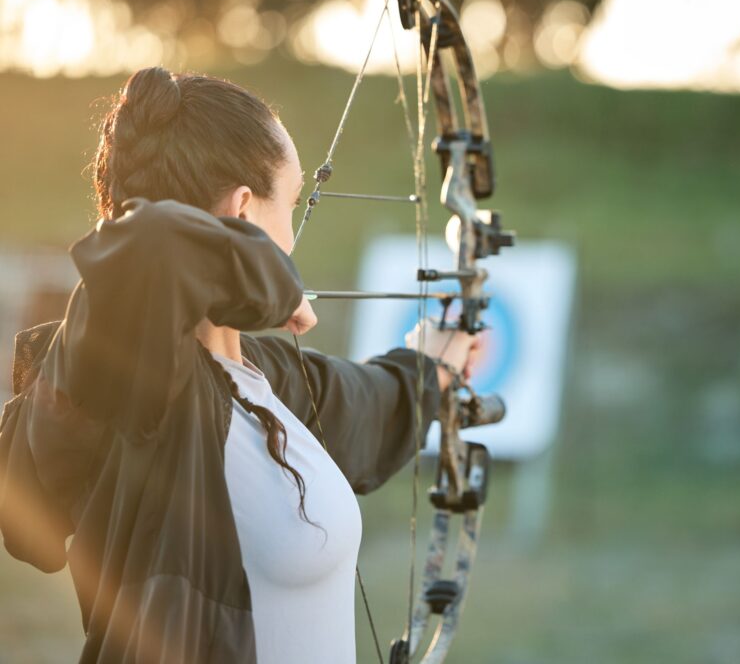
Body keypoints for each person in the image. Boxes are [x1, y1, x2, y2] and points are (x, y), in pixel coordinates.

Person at [0, 66, 477, 663]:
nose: (294, 235)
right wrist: (271, 281)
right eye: (294, 200)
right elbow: (146, 244)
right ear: (245, 211)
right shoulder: (129, 378)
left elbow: (364, 404)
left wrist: (434, 360)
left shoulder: (263, 379)